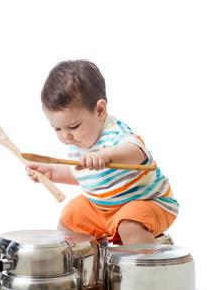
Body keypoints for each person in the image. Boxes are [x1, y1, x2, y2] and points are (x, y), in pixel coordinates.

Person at [26, 59, 179, 245]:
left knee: (129, 224)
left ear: (99, 111)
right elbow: (80, 175)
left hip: (147, 202)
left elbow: (137, 151)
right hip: (102, 209)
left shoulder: (115, 132)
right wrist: (50, 173)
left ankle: (148, 268)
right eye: (57, 129)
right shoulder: (78, 143)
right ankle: (77, 265)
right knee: (71, 215)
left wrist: (107, 155)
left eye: (73, 126)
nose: (66, 136)